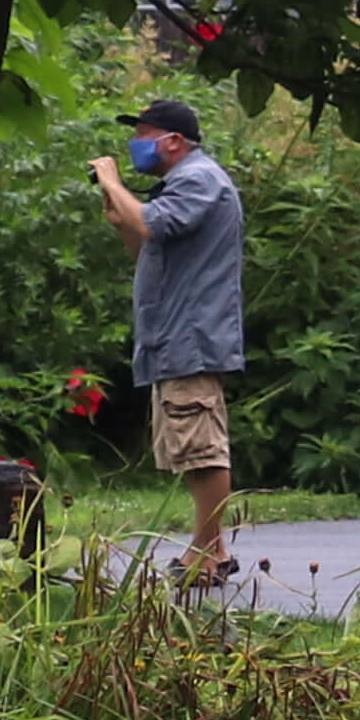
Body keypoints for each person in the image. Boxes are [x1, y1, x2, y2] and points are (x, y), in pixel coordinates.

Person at [91, 92, 246, 585]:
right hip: (173, 335)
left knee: (203, 446)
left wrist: (115, 183)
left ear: (174, 141)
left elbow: (153, 223)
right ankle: (214, 550)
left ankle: (205, 553)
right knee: (188, 445)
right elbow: (149, 244)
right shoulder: (179, 187)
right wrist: (123, 220)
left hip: (192, 335)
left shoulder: (199, 180)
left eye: (142, 135)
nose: (134, 145)